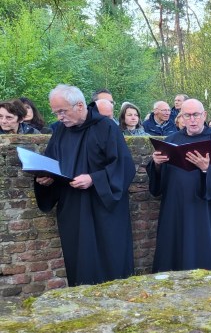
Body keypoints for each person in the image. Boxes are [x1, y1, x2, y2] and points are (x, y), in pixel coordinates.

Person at [33, 84, 135, 286]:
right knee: (80, 261)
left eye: (62, 111)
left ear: (79, 105)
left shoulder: (106, 127)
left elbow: (124, 166)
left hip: (104, 208)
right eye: (56, 112)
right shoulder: (60, 131)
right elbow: (52, 163)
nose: (59, 117)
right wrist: (46, 178)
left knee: (110, 260)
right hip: (73, 208)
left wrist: (94, 179)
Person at [147, 99, 211, 272]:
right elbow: (158, 181)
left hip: (203, 209)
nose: (192, 119)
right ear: (181, 117)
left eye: (196, 115)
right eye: (187, 115)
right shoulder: (171, 140)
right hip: (175, 206)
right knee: (173, 248)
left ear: (204, 115)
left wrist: (207, 169)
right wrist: (156, 164)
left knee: (201, 251)